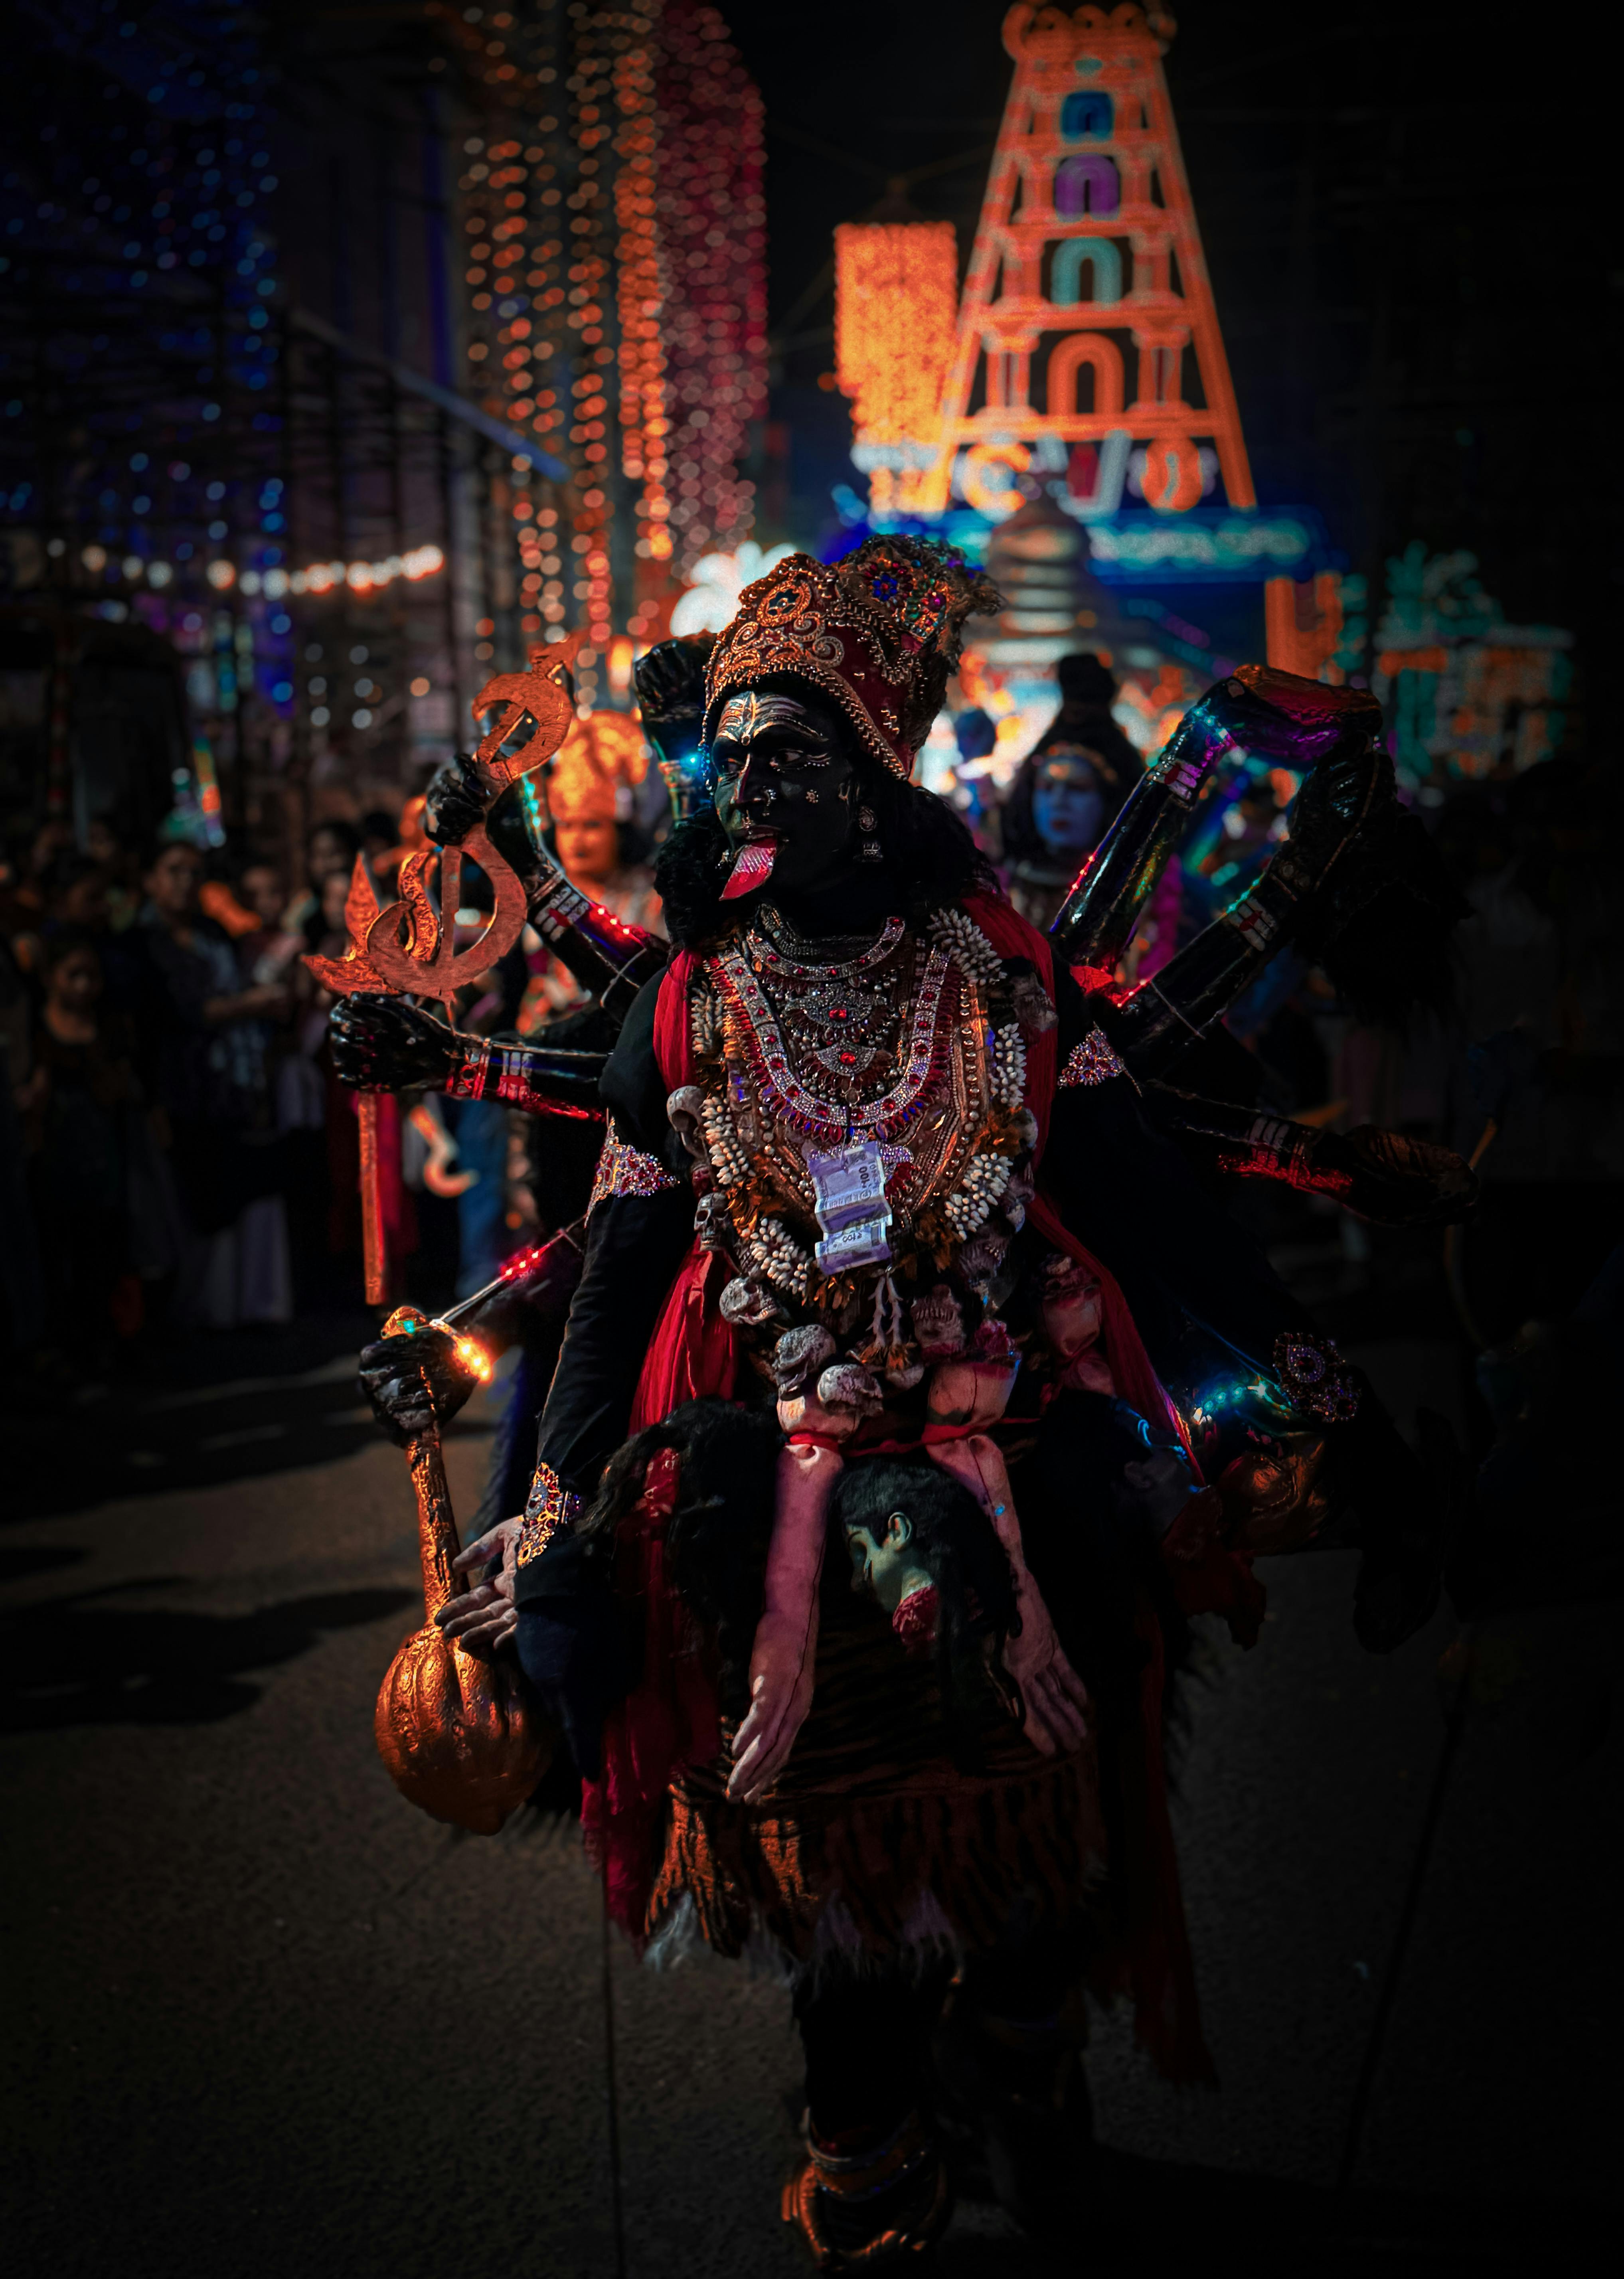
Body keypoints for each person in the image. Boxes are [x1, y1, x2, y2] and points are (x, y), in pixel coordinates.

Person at [381, 538, 1458, 2264]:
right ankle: (877, 2162)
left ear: (876, 782)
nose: (749, 788)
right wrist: (557, 1526)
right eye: (729, 757)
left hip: (1018, 1491)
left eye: (790, 756)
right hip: (775, 1523)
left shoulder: (998, 979)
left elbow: (1165, 1222)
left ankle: (1027, 2087)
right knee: (845, 1972)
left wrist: (1352, 1428)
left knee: (1041, 1914)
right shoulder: (687, 1007)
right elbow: (626, 1274)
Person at [131, 838, 293, 1328]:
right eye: (174, 871)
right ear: (151, 880)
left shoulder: (213, 934)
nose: (185, 882)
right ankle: (188, 1312)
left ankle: (230, 1305)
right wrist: (252, 1004)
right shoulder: (143, 943)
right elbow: (175, 1014)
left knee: (232, 1189)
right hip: (178, 1086)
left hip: (231, 1084)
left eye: (193, 872)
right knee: (186, 1196)